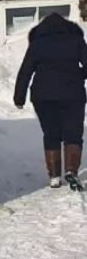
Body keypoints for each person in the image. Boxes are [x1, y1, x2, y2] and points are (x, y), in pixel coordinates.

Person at [14, 13, 87, 190]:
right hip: (73, 94)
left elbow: (25, 71)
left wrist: (19, 97)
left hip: (43, 96)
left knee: (51, 134)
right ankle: (71, 170)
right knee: (73, 134)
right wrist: (78, 77)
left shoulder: (37, 44)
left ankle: (54, 176)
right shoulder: (76, 40)